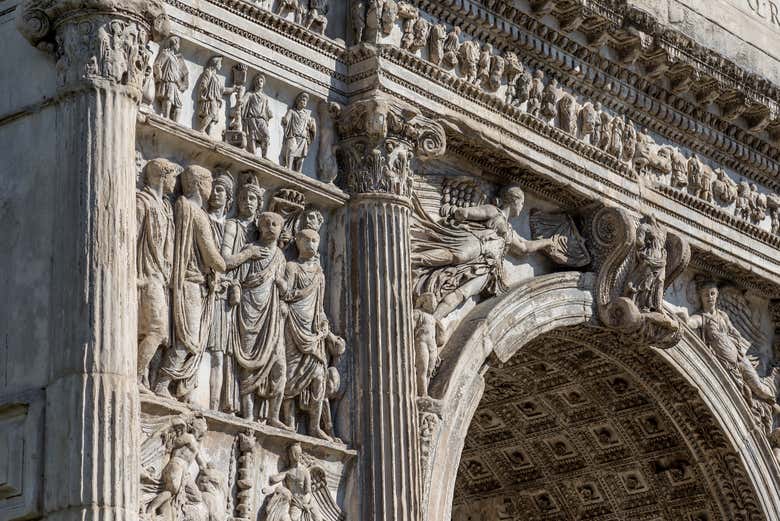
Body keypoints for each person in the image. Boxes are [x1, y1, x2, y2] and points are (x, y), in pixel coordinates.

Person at [154, 165, 262, 401]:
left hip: (187, 281)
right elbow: (217, 260)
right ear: (199, 184)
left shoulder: (180, 206)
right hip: (193, 283)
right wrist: (247, 254)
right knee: (188, 338)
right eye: (210, 184)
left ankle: (173, 385)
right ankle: (162, 383)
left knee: (186, 338)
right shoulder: (198, 214)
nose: (212, 190)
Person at [411, 185, 565, 319]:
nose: (522, 206)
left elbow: (524, 247)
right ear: (514, 200)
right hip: (479, 245)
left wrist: (548, 242)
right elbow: (467, 213)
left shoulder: (510, 230)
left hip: (489, 268)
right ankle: (414, 258)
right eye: (522, 202)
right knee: (458, 256)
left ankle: (433, 318)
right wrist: (458, 213)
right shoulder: (493, 211)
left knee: (463, 293)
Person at [281, 229, 345, 440]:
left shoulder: (319, 273)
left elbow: (320, 306)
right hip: (293, 324)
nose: (311, 243)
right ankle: (289, 421)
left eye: (315, 240)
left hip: (313, 329)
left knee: (319, 376)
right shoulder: (292, 267)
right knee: (290, 374)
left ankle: (315, 426)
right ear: (298, 242)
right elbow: (286, 294)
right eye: (306, 240)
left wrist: (327, 329)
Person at [235, 212, 288, 428]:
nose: (270, 226)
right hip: (250, 310)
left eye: (275, 224)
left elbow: (285, 288)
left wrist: (282, 285)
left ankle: (273, 416)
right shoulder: (252, 249)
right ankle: (247, 414)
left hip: (272, 315)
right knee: (248, 362)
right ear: (259, 226)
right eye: (266, 223)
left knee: (279, 365)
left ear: (281, 229)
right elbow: (239, 278)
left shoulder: (280, 257)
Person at [136, 158, 179, 391]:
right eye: (172, 176)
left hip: (161, 276)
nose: (175, 182)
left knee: (157, 333)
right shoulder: (142, 202)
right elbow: (132, 237)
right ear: (163, 177)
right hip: (147, 275)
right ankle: (135, 374)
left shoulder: (164, 207)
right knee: (156, 329)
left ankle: (144, 379)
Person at [153, 36, 189, 121]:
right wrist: (159, 76)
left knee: (179, 104)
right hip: (168, 80)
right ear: (174, 44)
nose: (179, 46)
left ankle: (175, 123)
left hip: (176, 83)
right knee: (168, 98)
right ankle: (166, 117)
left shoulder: (176, 58)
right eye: (178, 44)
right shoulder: (166, 53)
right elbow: (157, 64)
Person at [281, 92, 316, 172]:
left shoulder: (307, 115)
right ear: (298, 101)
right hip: (293, 136)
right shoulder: (292, 111)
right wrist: (285, 120)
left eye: (306, 101)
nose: (304, 102)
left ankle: (298, 172)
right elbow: (286, 119)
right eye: (303, 100)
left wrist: (312, 124)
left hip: (303, 138)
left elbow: (311, 127)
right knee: (291, 150)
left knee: (301, 157)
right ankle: (289, 169)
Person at [242, 74, 274, 158]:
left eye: (261, 81)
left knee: (266, 135)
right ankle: (253, 153)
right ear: (255, 83)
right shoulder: (250, 94)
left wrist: (269, 113)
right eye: (258, 80)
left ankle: (264, 155)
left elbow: (267, 108)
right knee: (252, 135)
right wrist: (240, 101)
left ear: (263, 83)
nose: (259, 82)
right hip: (252, 118)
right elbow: (243, 102)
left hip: (262, 120)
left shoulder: (265, 97)